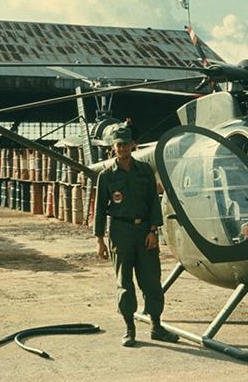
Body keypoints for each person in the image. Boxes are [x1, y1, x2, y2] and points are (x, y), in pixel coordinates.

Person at [93, 125, 179, 347]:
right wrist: (100, 240)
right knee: (124, 283)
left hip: (144, 232)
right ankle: (129, 329)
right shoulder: (106, 176)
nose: (123, 148)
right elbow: (100, 209)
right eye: (119, 145)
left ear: (133, 144)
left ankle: (156, 327)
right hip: (120, 232)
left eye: (126, 144)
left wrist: (153, 231)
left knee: (151, 281)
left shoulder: (145, 171)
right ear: (113, 147)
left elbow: (153, 202)